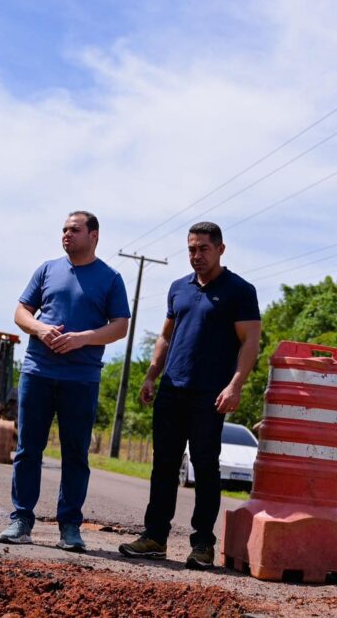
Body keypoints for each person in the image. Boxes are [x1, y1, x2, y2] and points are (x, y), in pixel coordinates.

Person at [119, 222, 261, 570]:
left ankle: (202, 545)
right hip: (172, 390)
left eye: (204, 249)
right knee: (163, 465)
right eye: (191, 249)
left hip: (210, 395)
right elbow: (166, 337)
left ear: (220, 249)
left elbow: (250, 343)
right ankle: (154, 537)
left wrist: (235, 385)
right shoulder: (177, 288)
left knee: (205, 468)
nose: (197, 256)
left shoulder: (240, 290)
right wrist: (152, 375)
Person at [0, 211, 130, 552]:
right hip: (38, 373)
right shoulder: (47, 269)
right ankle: (21, 520)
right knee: (28, 449)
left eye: (75, 229)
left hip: (81, 379)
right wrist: (40, 328)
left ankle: (70, 526)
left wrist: (83, 338)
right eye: (64, 230)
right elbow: (20, 312)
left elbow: (120, 326)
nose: (66, 235)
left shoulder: (110, 278)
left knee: (75, 454)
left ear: (94, 235)